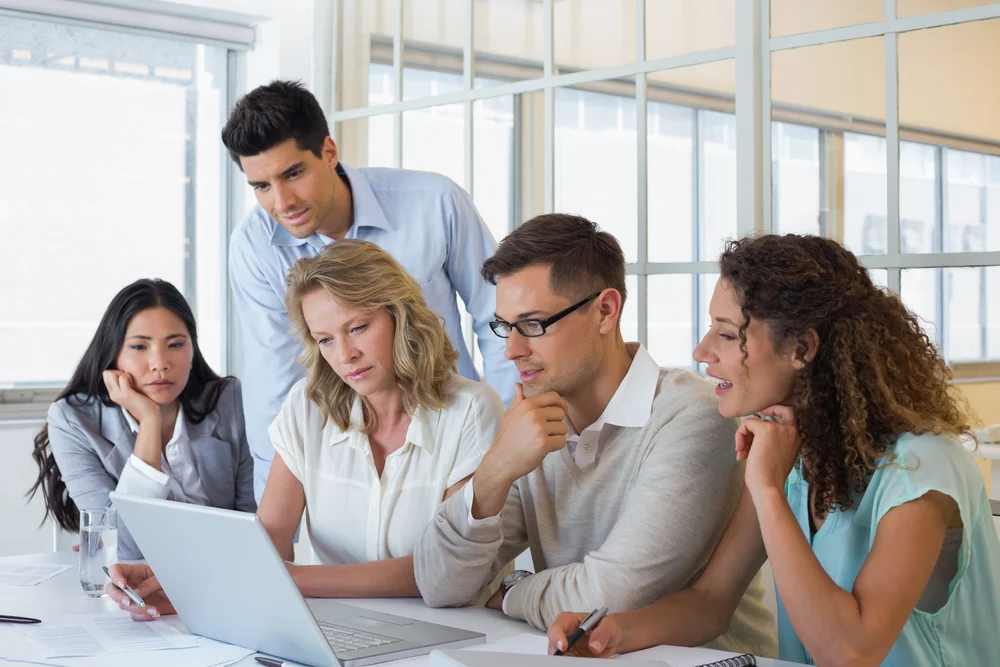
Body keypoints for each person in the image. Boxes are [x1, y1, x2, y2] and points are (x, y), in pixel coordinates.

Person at [547, 234, 1000, 666]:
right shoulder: (794, 455)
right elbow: (711, 602)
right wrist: (610, 633)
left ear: (801, 347)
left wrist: (766, 490)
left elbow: (850, 653)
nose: (702, 351)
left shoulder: (922, 468)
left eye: (726, 335)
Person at [414, 214, 775, 656]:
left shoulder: (693, 416)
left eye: (531, 324)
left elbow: (616, 595)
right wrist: (494, 472)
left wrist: (511, 591)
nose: (511, 349)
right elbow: (438, 585)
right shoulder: (532, 419)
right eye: (504, 326)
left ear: (605, 311)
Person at [106, 240, 504, 619]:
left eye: (358, 328)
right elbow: (271, 538)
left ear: (399, 315)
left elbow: (443, 569)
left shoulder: (470, 409)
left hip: (445, 630)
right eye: (325, 339)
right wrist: (182, 584)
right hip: (322, 625)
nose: (344, 355)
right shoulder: (307, 405)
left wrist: (296, 579)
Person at [223, 79, 517, 501]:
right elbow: (273, 380)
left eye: (293, 174)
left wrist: (505, 446)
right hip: (345, 461)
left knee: (459, 561)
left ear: (328, 152)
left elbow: (499, 318)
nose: (282, 201)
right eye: (261, 187)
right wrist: (277, 527)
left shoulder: (434, 202)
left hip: (455, 439)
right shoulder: (253, 245)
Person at [27, 279, 255, 560]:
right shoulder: (73, 419)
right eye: (139, 347)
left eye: (175, 344)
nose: (159, 363)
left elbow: (257, 531)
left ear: (192, 351)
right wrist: (149, 421)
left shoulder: (231, 401)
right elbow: (124, 546)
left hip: (229, 578)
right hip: (133, 592)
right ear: (112, 355)